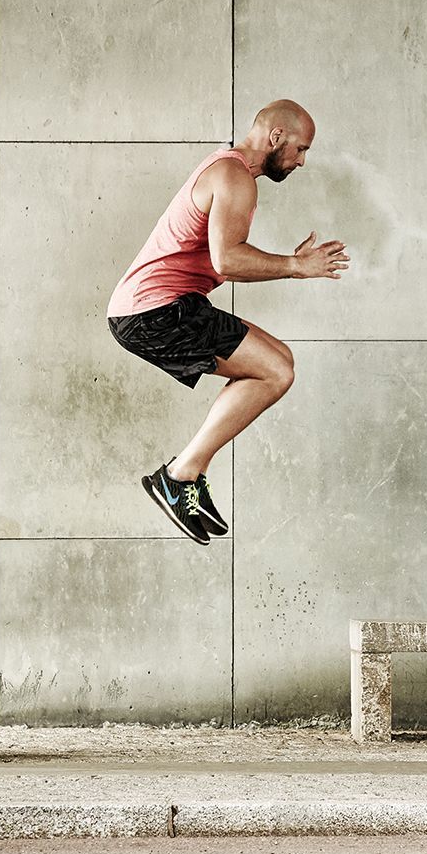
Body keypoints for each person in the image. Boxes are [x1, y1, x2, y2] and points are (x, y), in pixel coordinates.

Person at [104, 99, 348, 542]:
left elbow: (224, 255)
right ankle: (179, 476)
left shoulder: (230, 171)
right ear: (276, 137)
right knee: (275, 371)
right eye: (300, 149)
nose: (301, 161)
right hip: (155, 310)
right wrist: (296, 267)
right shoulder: (235, 176)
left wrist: (291, 262)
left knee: (278, 361)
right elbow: (228, 258)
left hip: (160, 307)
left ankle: (184, 474)